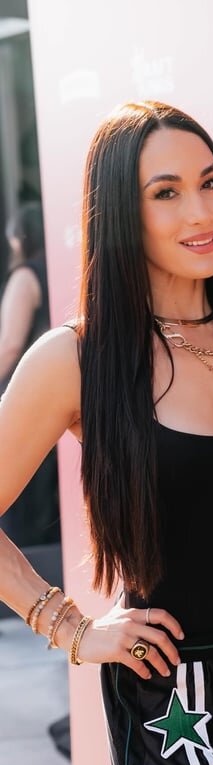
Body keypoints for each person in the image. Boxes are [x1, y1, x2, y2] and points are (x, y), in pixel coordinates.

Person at [0, 101, 213, 765]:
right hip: (177, 702)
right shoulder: (78, 359)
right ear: (120, 215)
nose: (202, 212)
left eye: (211, 183)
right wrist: (68, 627)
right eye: (166, 192)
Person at [0, 201, 59, 547]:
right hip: (57, 394)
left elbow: (9, 344)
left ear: (19, 239)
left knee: (20, 506)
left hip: (25, 395)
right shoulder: (61, 269)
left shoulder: (26, 275)